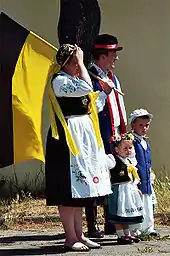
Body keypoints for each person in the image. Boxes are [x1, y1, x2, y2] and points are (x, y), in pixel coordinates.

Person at [45, 44, 114, 252]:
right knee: (69, 188)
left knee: (80, 189)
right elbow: (86, 88)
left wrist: (104, 94)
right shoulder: (60, 81)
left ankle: (79, 234)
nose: (79, 66)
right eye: (76, 62)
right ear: (68, 63)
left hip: (82, 135)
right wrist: (83, 64)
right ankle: (70, 236)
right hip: (67, 137)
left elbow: (91, 104)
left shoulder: (73, 81)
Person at [85, 34, 127, 237]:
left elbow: (120, 108)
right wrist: (104, 93)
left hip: (115, 135)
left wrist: (123, 133)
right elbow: (91, 108)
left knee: (113, 179)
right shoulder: (90, 78)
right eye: (113, 54)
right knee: (96, 178)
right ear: (103, 56)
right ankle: (92, 225)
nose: (116, 58)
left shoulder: (112, 77)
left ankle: (111, 221)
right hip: (99, 135)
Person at [107, 133, 143, 244]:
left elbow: (133, 176)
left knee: (125, 214)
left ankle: (128, 234)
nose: (128, 151)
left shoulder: (129, 161)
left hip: (128, 190)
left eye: (130, 148)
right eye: (125, 148)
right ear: (117, 150)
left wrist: (136, 188)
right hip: (118, 190)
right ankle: (120, 235)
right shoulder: (113, 160)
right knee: (118, 213)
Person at [129, 108, 159, 236]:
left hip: (146, 178)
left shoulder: (145, 141)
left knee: (147, 203)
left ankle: (148, 228)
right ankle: (136, 229)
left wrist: (150, 174)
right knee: (138, 203)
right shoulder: (132, 140)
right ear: (133, 125)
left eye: (146, 125)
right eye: (140, 125)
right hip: (137, 178)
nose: (144, 128)